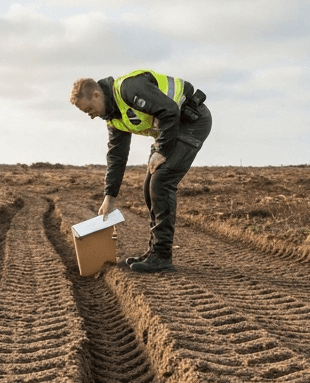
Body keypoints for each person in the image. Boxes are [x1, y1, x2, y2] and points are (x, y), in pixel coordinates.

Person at [69, 70, 213, 273]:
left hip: (191, 121)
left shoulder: (128, 88)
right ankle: (154, 251)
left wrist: (161, 151)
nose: (91, 116)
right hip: (170, 129)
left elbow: (170, 110)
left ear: (97, 95)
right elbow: (117, 157)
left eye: (89, 110)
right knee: (149, 188)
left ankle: (162, 256)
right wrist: (110, 196)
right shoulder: (113, 117)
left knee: (161, 182)